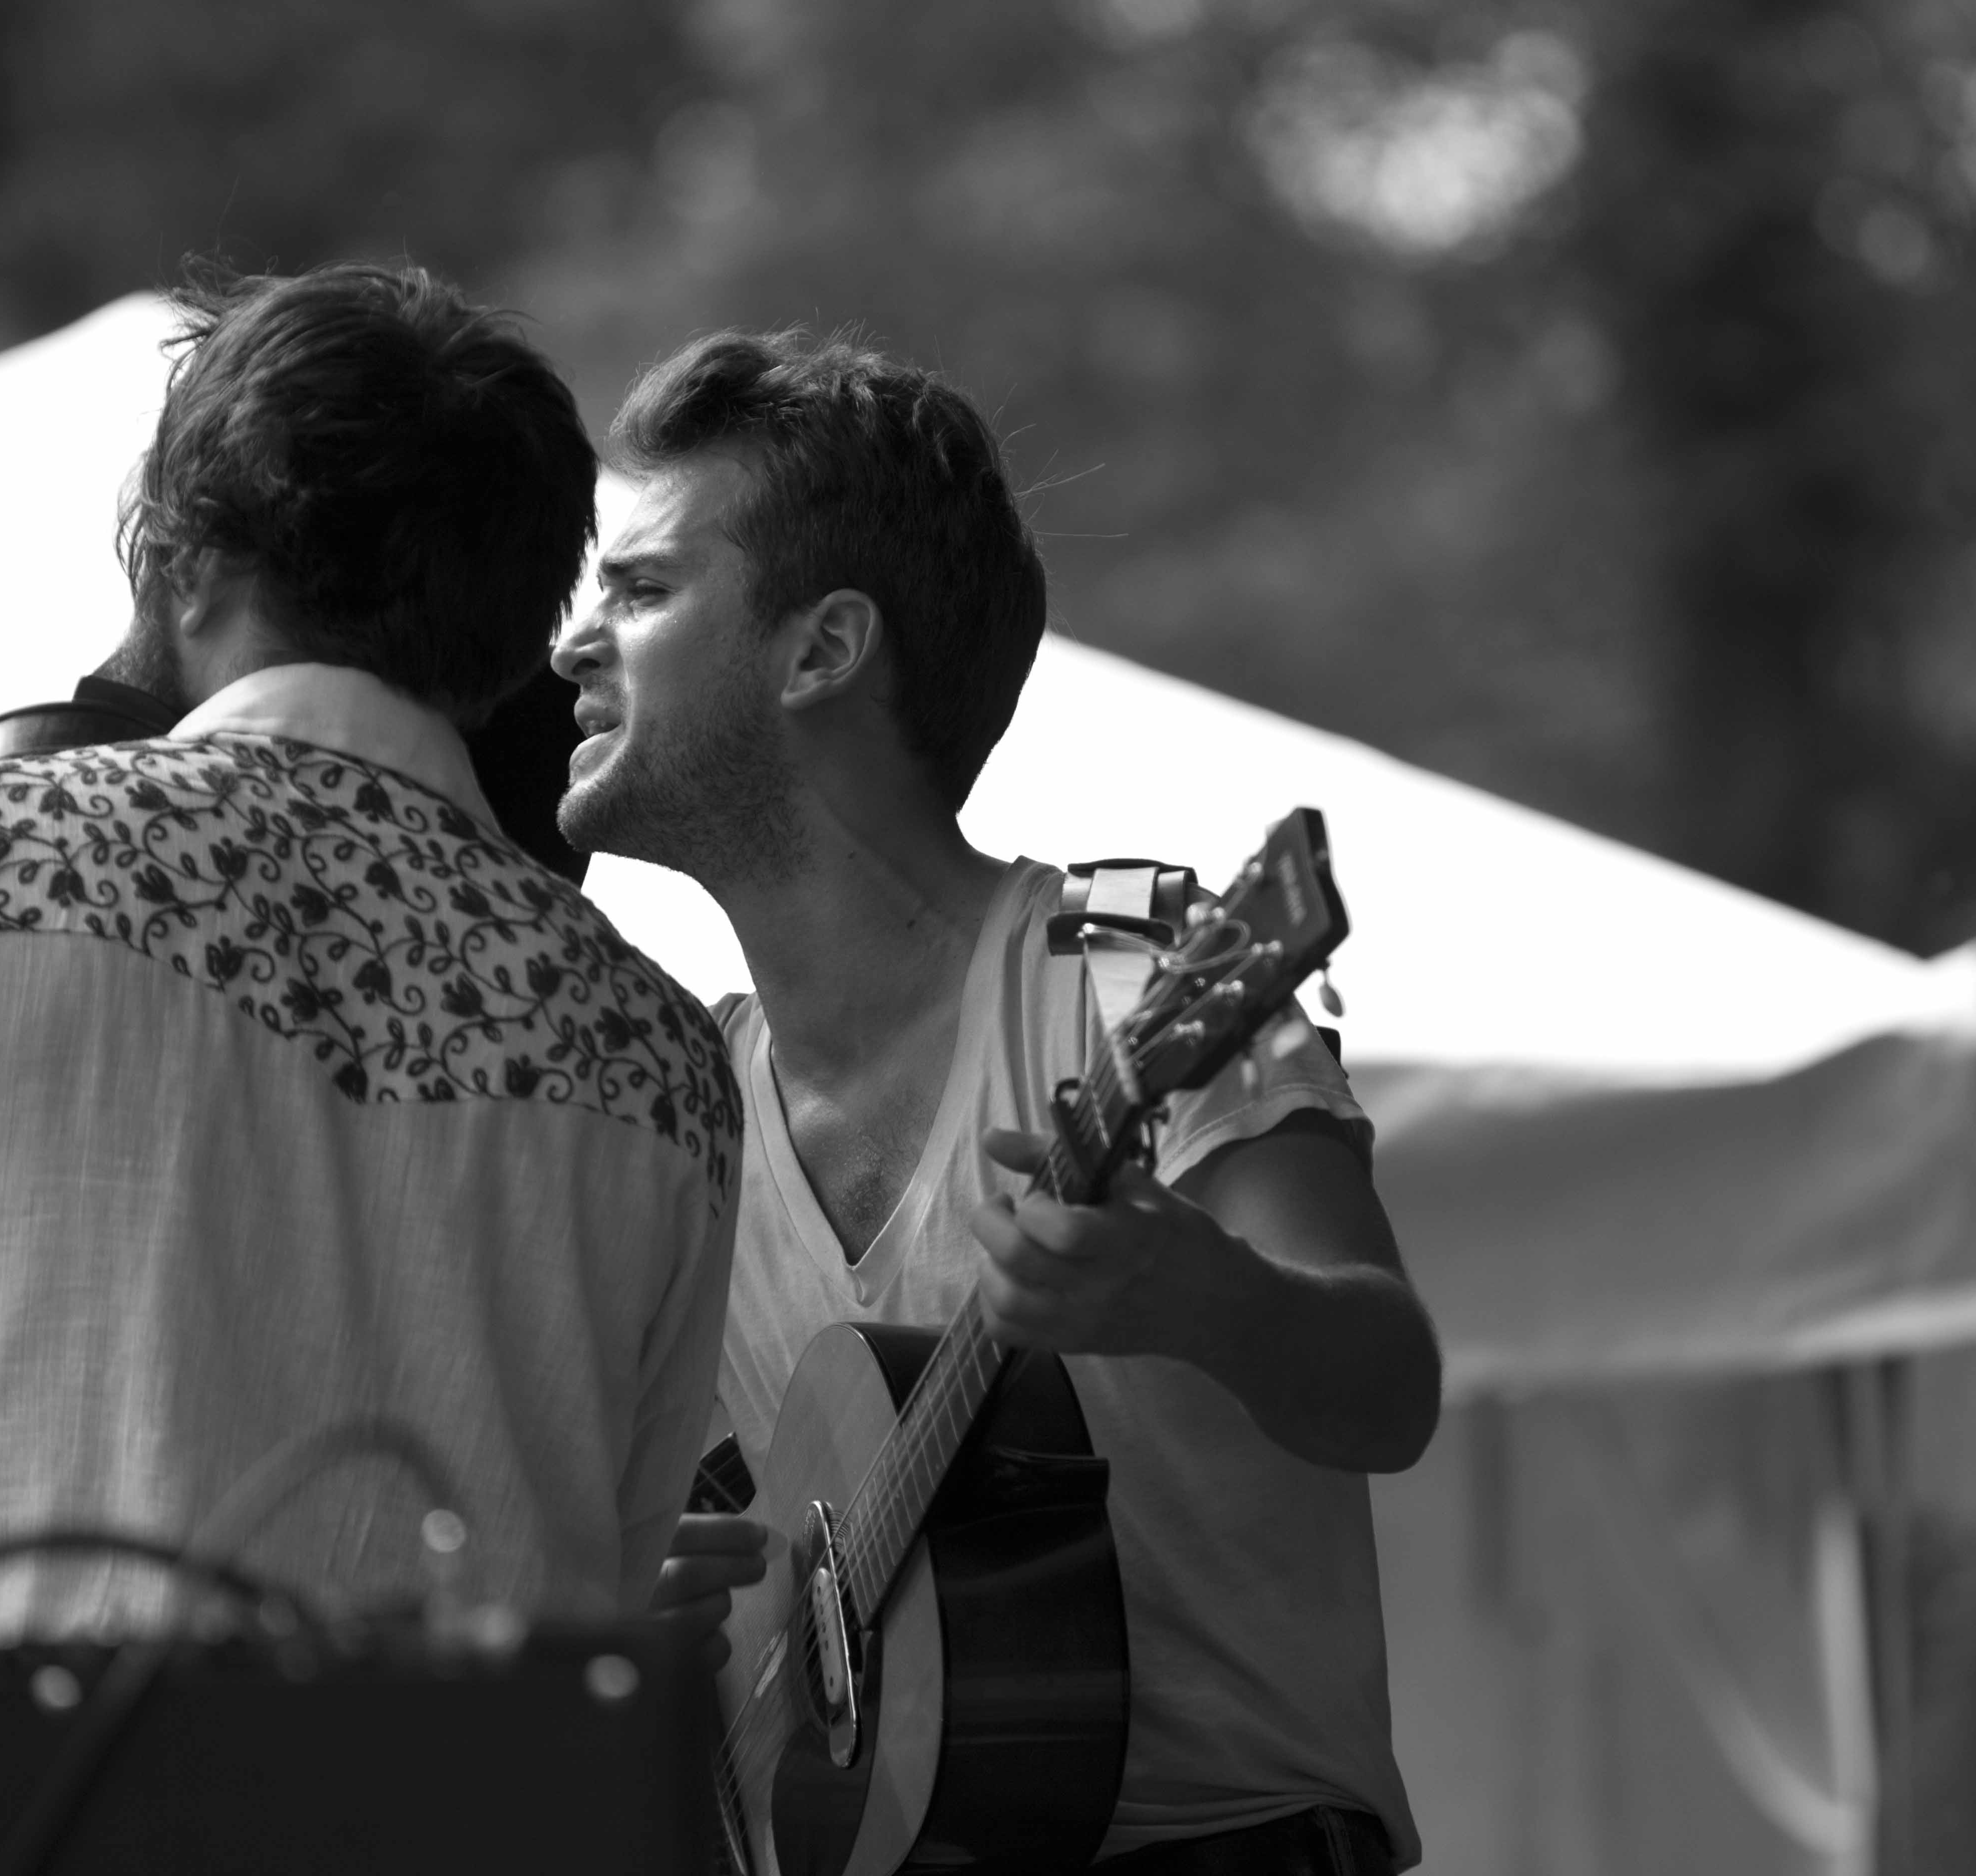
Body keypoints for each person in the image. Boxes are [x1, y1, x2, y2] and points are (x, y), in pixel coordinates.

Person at [0, 263, 739, 1634]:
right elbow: (607, 1591)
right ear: (513, 644)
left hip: (24, 1768)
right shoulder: (663, 1066)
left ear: (190, 554)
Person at [564, 330, 1438, 1872]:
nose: (575, 642)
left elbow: (1391, 1387)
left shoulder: (1129, 975)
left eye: (639, 591)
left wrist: (1203, 1294)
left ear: (822, 650)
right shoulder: (689, 1106)